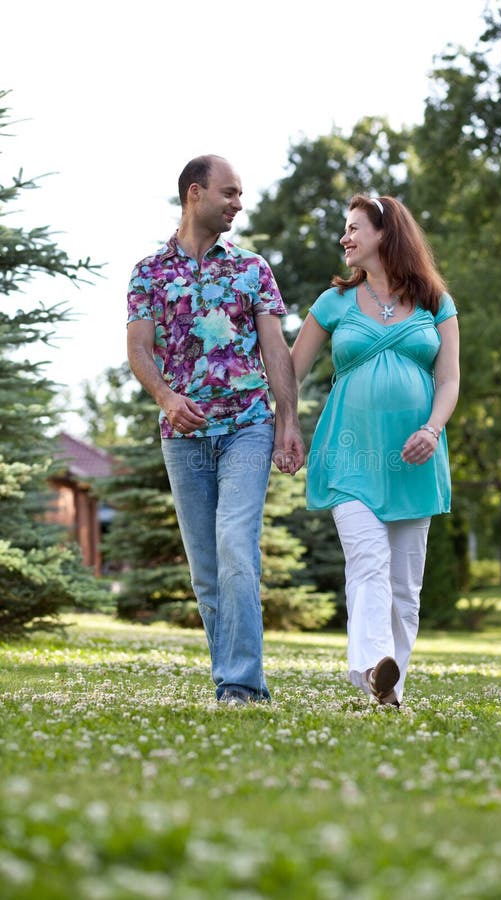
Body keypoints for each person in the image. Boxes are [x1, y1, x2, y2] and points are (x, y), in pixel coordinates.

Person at [126, 154, 304, 706]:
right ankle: (231, 678)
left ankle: (242, 685)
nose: (238, 203)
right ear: (195, 194)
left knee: (235, 545)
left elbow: (276, 351)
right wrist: (166, 397)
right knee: (207, 570)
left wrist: (288, 422)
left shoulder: (253, 269)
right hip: (182, 436)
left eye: (241, 193)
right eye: (229, 193)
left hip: (248, 426)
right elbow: (138, 350)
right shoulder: (149, 272)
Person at [291, 194, 460, 707]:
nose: (344, 238)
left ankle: (389, 691)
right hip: (349, 457)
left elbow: (449, 381)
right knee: (368, 563)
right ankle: (370, 668)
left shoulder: (435, 301)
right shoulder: (334, 302)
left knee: (405, 589)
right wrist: (285, 428)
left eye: (353, 228)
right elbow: (289, 373)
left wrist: (432, 429)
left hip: (414, 462)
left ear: (386, 234)